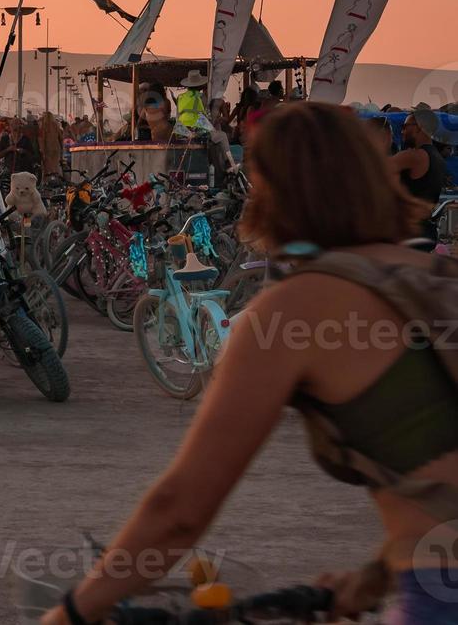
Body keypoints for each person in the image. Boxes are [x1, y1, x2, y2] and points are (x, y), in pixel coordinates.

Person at [42, 101, 458, 625]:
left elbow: (180, 509)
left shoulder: (294, 309)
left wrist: (72, 613)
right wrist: (375, 576)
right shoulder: (439, 277)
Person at [393, 109, 450, 246]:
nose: (402, 132)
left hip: (408, 233)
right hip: (426, 231)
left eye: (405, 126)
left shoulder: (414, 156)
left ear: (419, 127)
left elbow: (371, 170)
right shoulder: (438, 158)